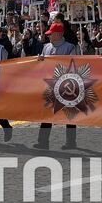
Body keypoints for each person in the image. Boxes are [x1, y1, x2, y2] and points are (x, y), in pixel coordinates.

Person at [34, 22, 79, 150]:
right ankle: (43, 141)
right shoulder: (46, 47)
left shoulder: (70, 47)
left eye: (51, 34)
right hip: (51, 83)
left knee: (69, 114)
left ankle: (71, 141)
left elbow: (73, 64)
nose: (49, 36)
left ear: (58, 34)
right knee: (47, 113)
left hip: (67, 84)